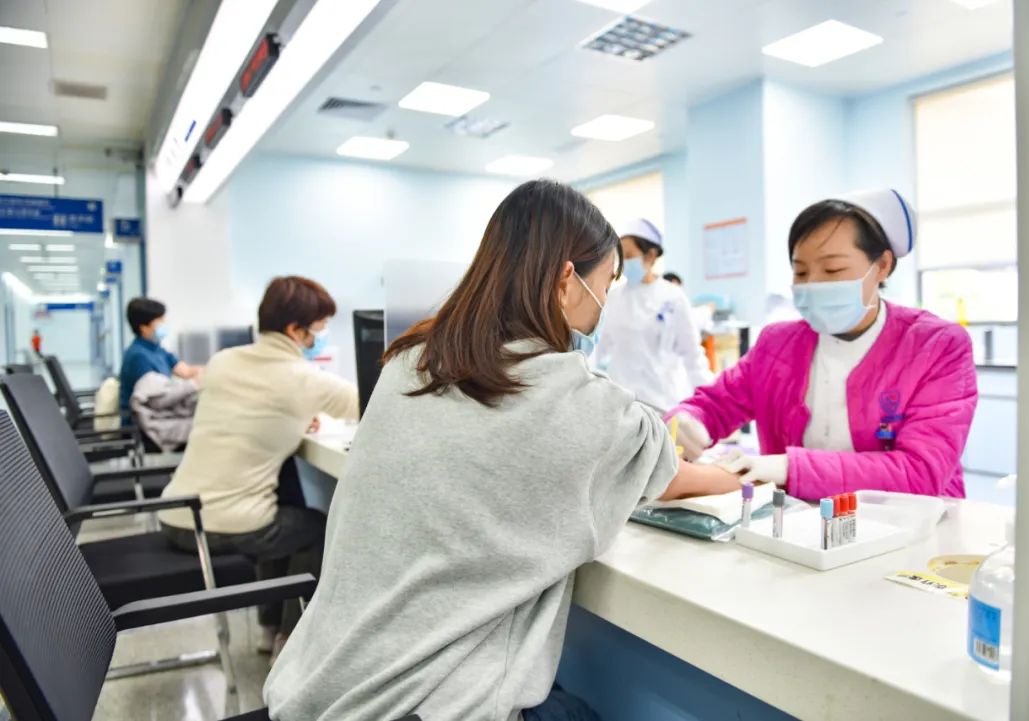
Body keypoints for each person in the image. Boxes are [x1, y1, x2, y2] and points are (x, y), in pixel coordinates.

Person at [265, 180, 741, 721]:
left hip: (315, 691)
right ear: (566, 281)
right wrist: (746, 473)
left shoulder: (409, 361)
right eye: (604, 288)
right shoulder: (579, 401)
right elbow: (684, 477)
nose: (603, 308)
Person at [670, 189, 978, 500]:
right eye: (801, 271)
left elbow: (920, 473)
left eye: (833, 270)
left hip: (909, 520)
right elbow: (716, 404)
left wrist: (788, 468)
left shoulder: (936, 346)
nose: (812, 284)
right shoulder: (777, 344)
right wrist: (687, 420)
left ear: (882, 265)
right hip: (801, 518)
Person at [158, 276, 359, 657]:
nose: (320, 337)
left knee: (281, 513)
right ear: (294, 330)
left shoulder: (222, 361)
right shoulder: (303, 378)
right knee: (314, 528)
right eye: (318, 328)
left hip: (176, 515)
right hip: (222, 528)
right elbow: (368, 404)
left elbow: (246, 416)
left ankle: (269, 628)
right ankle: (289, 641)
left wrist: (294, 417)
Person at [594, 218, 713, 411]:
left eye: (629, 256)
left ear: (650, 255)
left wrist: (709, 402)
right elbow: (599, 348)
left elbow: (693, 355)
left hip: (663, 402)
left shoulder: (673, 297)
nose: (624, 263)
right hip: (622, 404)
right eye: (621, 257)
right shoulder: (613, 298)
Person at [119, 298, 201, 423]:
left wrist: (214, 369)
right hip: (143, 423)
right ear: (144, 328)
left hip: (159, 414)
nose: (164, 324)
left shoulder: (157, 349)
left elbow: (186, 371)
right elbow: (156, 400)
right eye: (160, 321)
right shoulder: (138, 356)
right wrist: (193, 385)